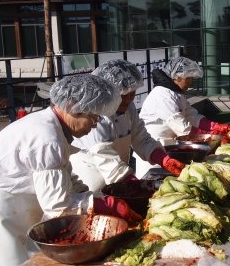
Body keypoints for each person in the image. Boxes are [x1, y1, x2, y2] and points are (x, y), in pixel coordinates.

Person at [0, 74, 141, 266]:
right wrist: (106, 205)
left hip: (16, 205)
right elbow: (59, 206)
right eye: (92, 116)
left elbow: (66, 177)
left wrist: (95, 198)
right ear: (73, 106)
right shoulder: (47, 137)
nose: (95, 124)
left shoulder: (55, 129)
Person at [70, 59, 185, 193]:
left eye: (132, 93)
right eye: (123, 95)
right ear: (108, 92)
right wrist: (136, 185)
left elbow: (141, 138)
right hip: (91, 180)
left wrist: (162, 158)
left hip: (120, 177)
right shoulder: (94, 115)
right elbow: (104, 157)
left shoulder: (129, 108)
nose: (129, 99)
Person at [136, 56, 230, 177]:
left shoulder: (177, 93)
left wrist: (214, 126)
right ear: (177, 77)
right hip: (153, 149)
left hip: (169, 147)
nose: (190, 82)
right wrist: (212, 137)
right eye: (189, 78)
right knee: (153, 181)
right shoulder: (162, 95)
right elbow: (182, 127)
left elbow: (191, 115)